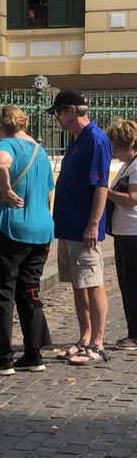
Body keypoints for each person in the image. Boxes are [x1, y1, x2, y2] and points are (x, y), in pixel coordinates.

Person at [0, 106, 54, 376]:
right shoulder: (41, 152)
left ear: (0, 125)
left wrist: (6, 190)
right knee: (30, 291)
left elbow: (0, 163)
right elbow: (47, 195)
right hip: (41, 231)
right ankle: (34, 354)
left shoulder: (7, 144)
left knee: (0, 292)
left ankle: (2, 357)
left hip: (9, 228)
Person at [48, 89, 112, 366]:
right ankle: (84, 338)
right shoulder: (76, 140)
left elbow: (101, 186)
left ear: (72, 110)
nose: (57, 118)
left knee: (93, 283)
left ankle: (97, 343)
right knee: (78, 284)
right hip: (69, 226)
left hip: (84, 228)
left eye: (59, 112)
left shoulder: (95, 140)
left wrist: (93, 225)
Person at [104, 118, 137, 351]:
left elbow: (133, 199)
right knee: (126, 283)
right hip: (123, 231)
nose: (114, 152)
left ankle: (135, 335)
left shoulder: (136, 167)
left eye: (116, 147)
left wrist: (105, 192)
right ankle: (132, 331)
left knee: (133, 284)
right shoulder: (128, 165)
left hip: (133, 231)